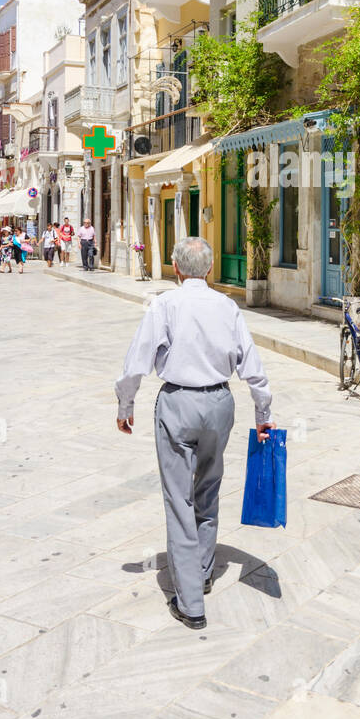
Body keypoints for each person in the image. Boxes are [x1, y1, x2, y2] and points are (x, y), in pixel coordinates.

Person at [115, 236, 276, 631]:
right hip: (220, 403)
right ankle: (202, 572)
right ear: (209, 267)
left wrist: (125, 403)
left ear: (176, 267)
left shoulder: (165, 304)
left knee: (178, 500)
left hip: (179, 403)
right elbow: (251, 363)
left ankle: (190, 603)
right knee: (208, 489)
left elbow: (138, 358)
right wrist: (263, 412)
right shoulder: (227, 306)